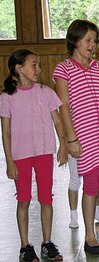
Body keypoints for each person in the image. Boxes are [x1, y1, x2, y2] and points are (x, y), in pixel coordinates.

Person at [53, 19, 99, 255]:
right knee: (91, 187)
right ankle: (89, 235)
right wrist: (71, 139)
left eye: (95, 40)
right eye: (87, 40)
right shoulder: (63, 69)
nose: (92, 44)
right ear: (74, 41)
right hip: (84, 137)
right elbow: (64, 105)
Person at [2, 50, 66, 261]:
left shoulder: (46, 92)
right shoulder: (7, 97)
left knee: (46, 199)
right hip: (21, 156)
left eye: (39, 65)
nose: (38, 69)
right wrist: (10, 161)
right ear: (18, 68)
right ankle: (25, 246)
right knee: (24, 200)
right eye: (33, 65)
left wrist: (63, 144)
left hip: (44, 153)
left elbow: (57, 121)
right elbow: (6, 132)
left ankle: (47, 243)